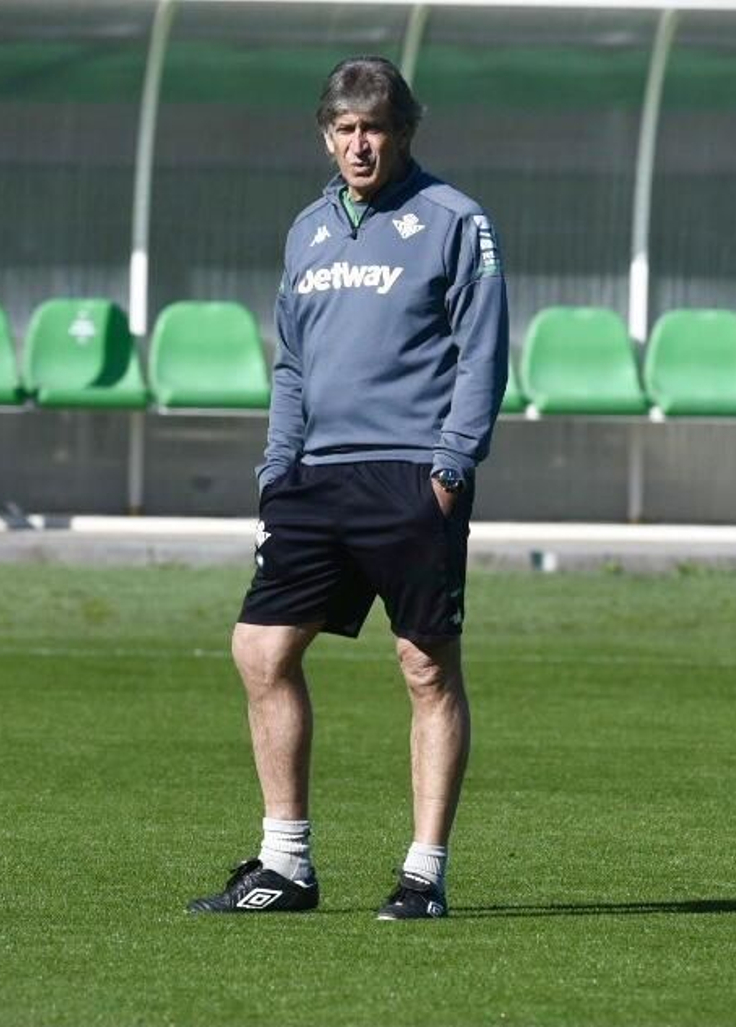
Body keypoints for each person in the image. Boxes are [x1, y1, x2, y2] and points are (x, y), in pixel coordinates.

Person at [186, 56, 509, 921]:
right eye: (344, 128)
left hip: (412, 473)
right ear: (326, 135)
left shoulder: (455, 220)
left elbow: (482, 352)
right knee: (261, 651)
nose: (358, 144)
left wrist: (452, 464)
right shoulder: (308, 230)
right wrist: (275, 467)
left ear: (402, 131)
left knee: (425, 667)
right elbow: (292, 362)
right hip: (314, 476)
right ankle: (286, 864)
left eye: (373, 127)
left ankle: (424, 875)